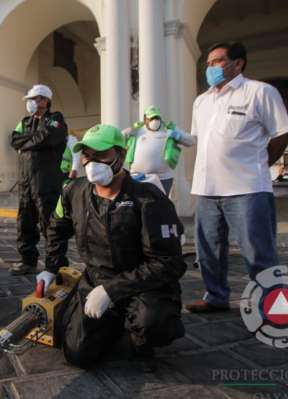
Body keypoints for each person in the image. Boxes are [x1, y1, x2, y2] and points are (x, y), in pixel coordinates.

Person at [39, 124, 186, 372]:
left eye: (102, 155)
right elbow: (56, 228)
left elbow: (168, 262)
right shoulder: (73, 192)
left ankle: (134, 333)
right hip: (96, 280)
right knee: (77, 353)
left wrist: (111, 290)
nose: (92, 162)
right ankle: (109, 321)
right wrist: (51, 268)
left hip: (143, 285)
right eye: (87, 155)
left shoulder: (148, 199)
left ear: (122, 153)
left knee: (153, 325)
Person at [185, 42, 288, 314]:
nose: (211, 68)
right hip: (207, 189)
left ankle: (271, 306)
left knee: (257, 251)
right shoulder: (202, 101)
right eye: (208, 63)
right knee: (207, 249)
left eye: (217, 61)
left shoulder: (260, 92)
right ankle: (215, 296)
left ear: (238, 63)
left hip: (247, 188)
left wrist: (260, 163)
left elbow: (282, 134)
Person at [9, 84, 67, 275]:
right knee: (24, 222)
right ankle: (27, 260)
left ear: (45, 100)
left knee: (49, 223)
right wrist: (31, 139)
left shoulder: (55, 119)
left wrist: (26, 142)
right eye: (30, 100)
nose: (31, 103)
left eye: (35, 99)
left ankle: (56, 262)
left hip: (46, 181)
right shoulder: (25, 121)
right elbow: (13, 139)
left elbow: (47, 138)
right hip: (25, 181)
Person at [123, 106, 195, 194]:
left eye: (157, 117)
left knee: (160, 205)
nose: (155, 121)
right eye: (151, 118)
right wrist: (127, 132)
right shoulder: (137, 130)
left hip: (163, 178)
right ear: (145, 119)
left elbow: (191, 141)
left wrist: (176, 135)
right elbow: (119, 139)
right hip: (138, 177)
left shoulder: (168, 129)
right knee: (139, 204)